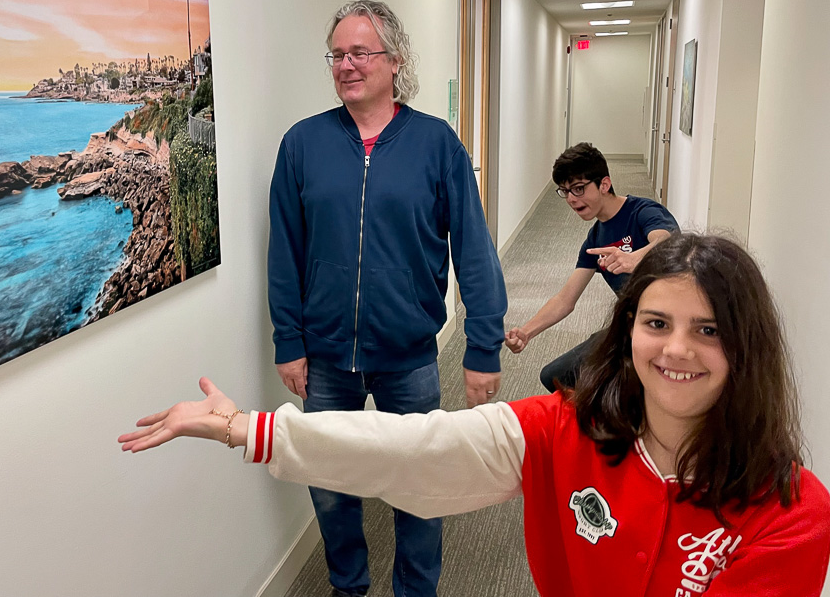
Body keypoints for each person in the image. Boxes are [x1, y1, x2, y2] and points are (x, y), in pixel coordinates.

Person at [119, 234, 830, 596]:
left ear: (748, 344)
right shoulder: (564, 427)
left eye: (708, 330)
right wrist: (250, 428)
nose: (677, 350)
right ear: (626, 331)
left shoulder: (792, 508)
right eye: (657, 323)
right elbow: (412, 448)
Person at [264, 0, 507, 597]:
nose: (348, 65)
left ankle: (415, 590)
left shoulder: (436, 144)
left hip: (409, 356)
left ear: (394, 61)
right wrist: (288, 341)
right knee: (330, 485)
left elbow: (472, 248)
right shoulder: (302, 144)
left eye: (361, 52)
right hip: (324, 358)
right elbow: (285, 252)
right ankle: (349, 587)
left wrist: (484, 346)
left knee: (420, 485)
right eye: (338, 54)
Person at [505, 142, 678, 391]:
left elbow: (667, 240)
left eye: (579, 189)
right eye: (565, 191)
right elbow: (566, 299)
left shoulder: (642, 211)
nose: (572, 199)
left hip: (668, 327)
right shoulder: (595, 238)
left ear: (604, 184)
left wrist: (636, 258)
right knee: (556, 377)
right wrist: (527, 332)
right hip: (631, 325)